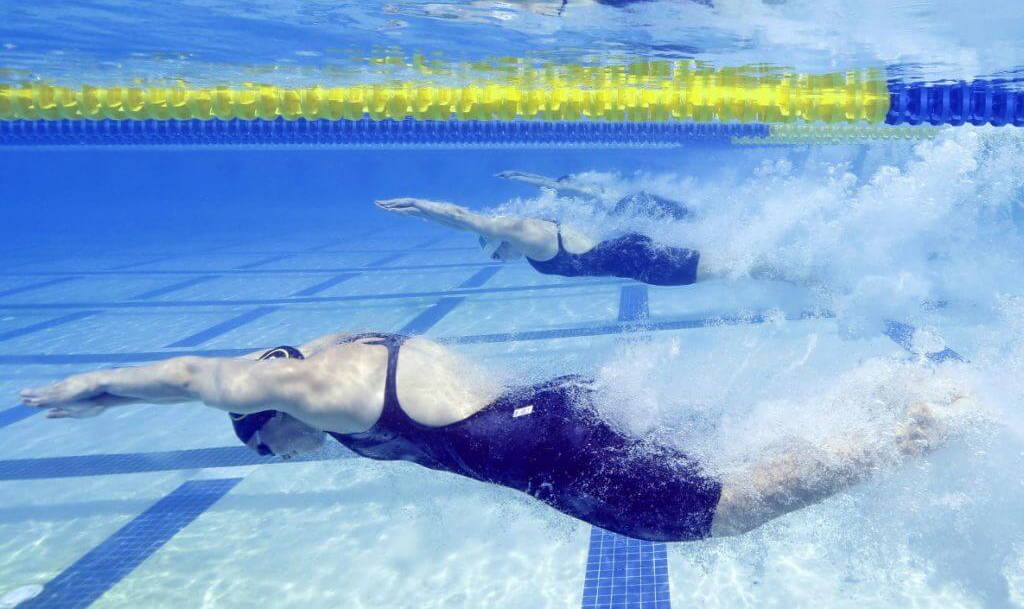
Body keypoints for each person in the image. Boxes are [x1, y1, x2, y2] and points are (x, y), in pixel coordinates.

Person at [21, 330, 969, 542]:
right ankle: (889, 393)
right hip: (561, 411)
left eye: (259, 447)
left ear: (267, 415)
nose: (271, 459)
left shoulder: (316, 389)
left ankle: (914, 432)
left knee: (718, 512)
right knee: (721, 450)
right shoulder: (343, 355)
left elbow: (195, 377)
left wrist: (96, 389)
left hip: (553, 453)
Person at [374, 197, 700, 286]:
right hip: (634, 259)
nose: (499, 261)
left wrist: (420, 206)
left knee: (737, 268)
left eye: (495, 255)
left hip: (640, 261)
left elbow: (466, 219)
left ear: (500, 242)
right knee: (732, 264)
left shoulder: (527, 235)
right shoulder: (535, 237)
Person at [495, 170, 690, 220]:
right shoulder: (569, 189)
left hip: (626, 205)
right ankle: (691, 213)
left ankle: (690, 214)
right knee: (678, 212)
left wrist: (517, 174)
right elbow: (544, 181)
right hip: (628, 203)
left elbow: (543, 180)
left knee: (675, 212)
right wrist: (516, 175)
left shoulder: (577, 189)